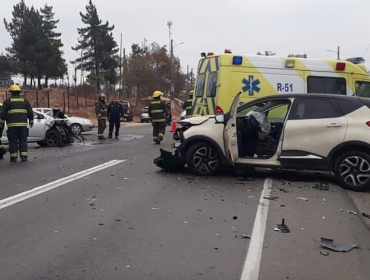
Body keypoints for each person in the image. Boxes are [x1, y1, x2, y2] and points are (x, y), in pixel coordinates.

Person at [0, 85, 33, 162]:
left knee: (13, 141)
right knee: (23, 141)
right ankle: (24, 157)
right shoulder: (25, 101)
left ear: (11, 92)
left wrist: (1, 122)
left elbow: (3, 113)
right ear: (19, 92)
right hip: (23, 126)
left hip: (12, 126)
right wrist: (31, 120)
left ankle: (13, 157)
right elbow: (30, 111)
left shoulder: (8, 101)